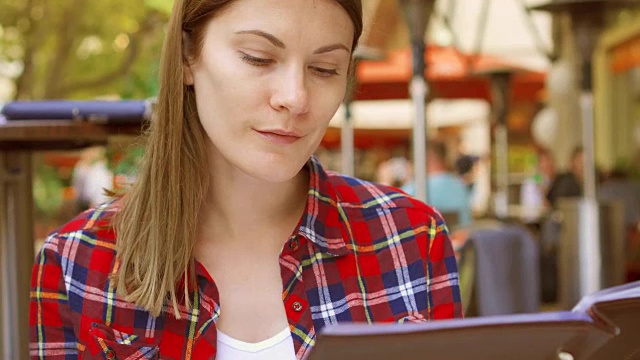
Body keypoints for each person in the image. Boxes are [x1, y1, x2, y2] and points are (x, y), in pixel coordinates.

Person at [29, 1, 463, 359]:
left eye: (326, 69)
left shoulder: (409, 237)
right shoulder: (76, 263)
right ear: (186, 57)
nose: (294, 98)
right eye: (258, 58)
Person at [403, 140, 472, 227]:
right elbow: (465, 224)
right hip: (456, 238)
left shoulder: (415, 189)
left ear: (426, 158)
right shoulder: (459, 185)